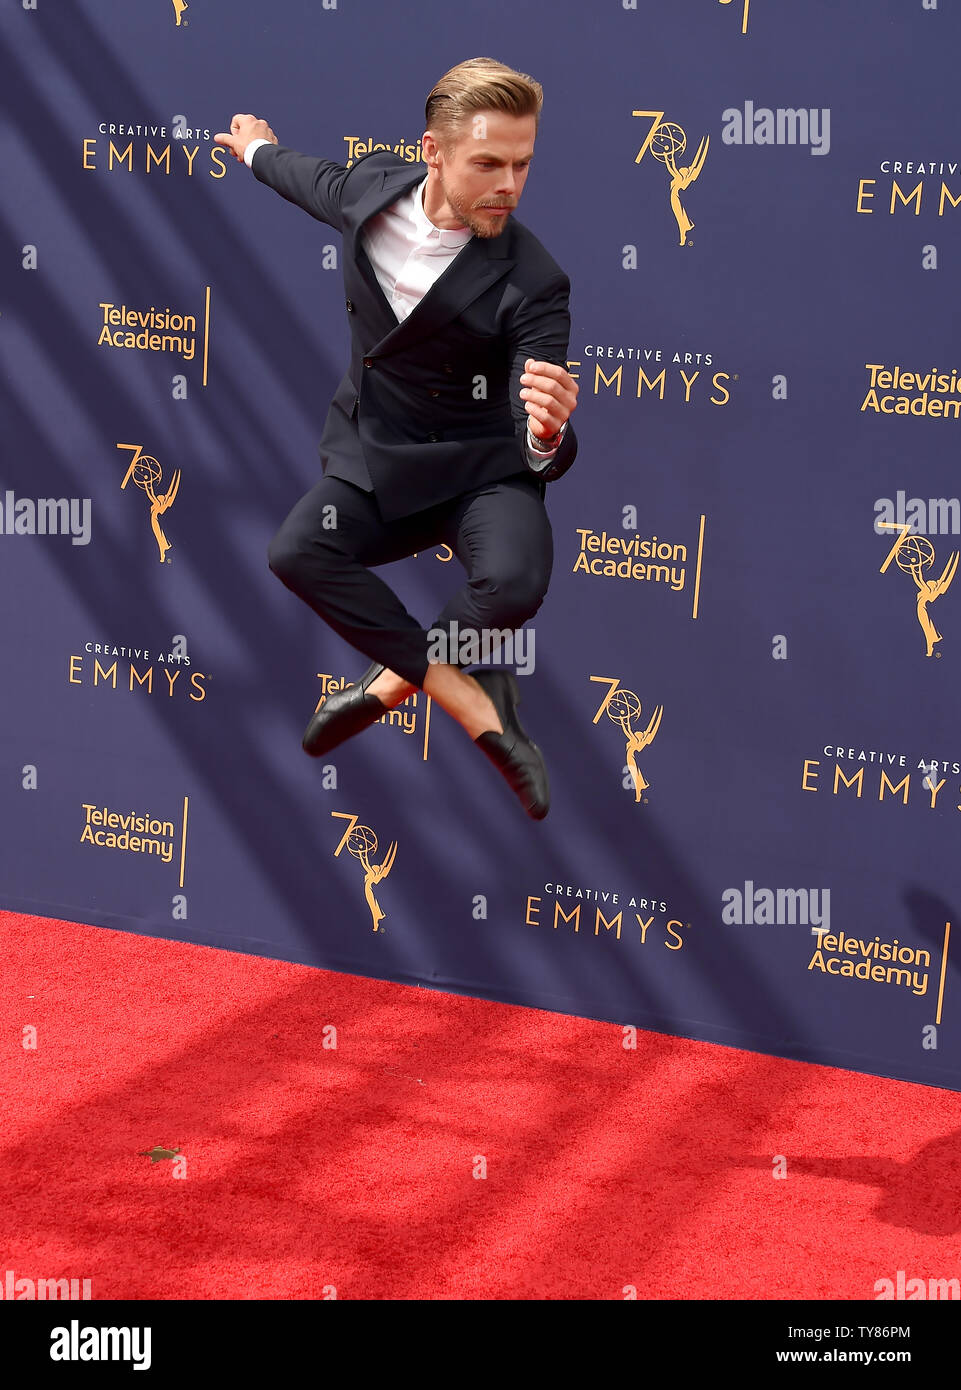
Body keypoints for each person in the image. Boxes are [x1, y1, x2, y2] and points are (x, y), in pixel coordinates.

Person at [214, 57, 579, 819]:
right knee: (296, 551)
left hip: (484, 470)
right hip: (378, 459)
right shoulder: (371, 194)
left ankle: (388, 686)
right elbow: (306, 178)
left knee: (514, 581)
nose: (508, 184)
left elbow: (539, 430)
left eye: (522, 164)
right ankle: (473, 702)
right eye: (487, 163)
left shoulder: (534, 280)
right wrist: (253, 149)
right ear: (432, 153)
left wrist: (546, 432)